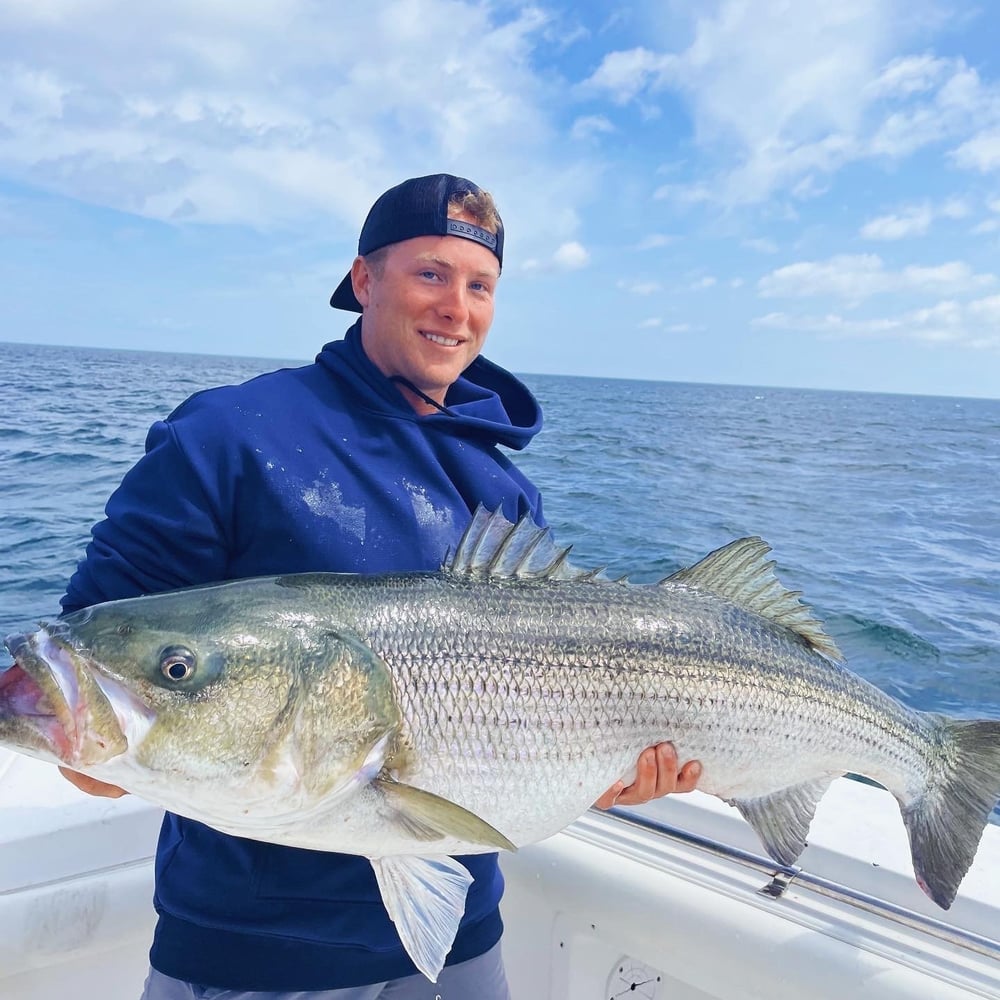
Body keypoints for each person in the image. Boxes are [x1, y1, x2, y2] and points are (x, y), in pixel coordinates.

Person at [59, 173, 702, 1000]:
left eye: (480, 286)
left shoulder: (504, 492)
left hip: (461, 937)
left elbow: (535, 718)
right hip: (259, 950)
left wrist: (608, 765)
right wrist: (93, 737)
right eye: (429, 274)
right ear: (364, 280)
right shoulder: (227, 435)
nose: (455, 307)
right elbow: (96, 664)